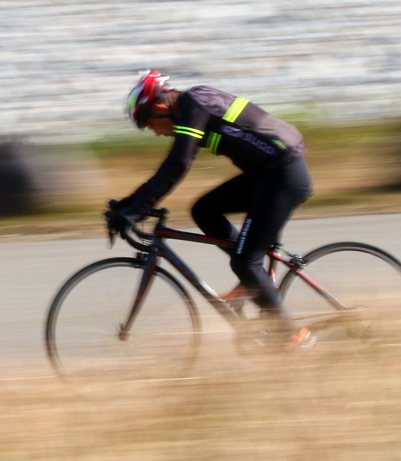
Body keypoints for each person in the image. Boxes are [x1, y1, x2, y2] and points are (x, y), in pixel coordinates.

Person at [106, 70, 315, 351]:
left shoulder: (195, 104)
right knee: (204, 210)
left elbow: (178, 163)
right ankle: (252, 283)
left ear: (158, 107)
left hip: (284, 173)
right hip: (266, 172)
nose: (155, 132)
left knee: (245, 261)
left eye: (150, 124)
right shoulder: (192, 105)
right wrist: (129, 203)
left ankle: (292, 335)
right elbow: (174, 164)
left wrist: (139, 206)